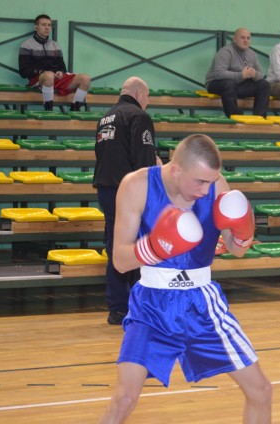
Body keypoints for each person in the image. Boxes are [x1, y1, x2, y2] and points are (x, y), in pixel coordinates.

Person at [99, 134, 272, 423]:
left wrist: (243, 232)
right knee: (124, 398)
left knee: (261, 390)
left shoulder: (216, 185)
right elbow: (119, 260)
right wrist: (156, 246)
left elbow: (236, 249)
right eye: (200, 182)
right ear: (176, 169)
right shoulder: (137, 185)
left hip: (203, 302)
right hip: (151, 305)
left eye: (211, 181)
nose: (206, 191)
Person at [92, 76, 162, 326]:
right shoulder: (138, 117)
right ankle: (138, 306)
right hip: (129, 193)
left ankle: (117, 308)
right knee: (138, 247)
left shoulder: (105, 117)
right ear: (140, 94)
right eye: (148, 97)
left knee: (116, 248)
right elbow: (143, 160)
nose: (148, 102)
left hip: (106, 190)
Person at [18, 14, 91, 111]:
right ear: (36, 27)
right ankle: (49, 109)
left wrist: (61, 72)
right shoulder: (26, 45)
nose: (47, 27)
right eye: (44, 25)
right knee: (48, 75)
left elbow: (63, 68)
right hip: (39, 79)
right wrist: (42, 72)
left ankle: (75, 109)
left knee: (85, 78)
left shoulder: (55, 45)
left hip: (56, 78)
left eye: (49, 25)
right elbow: (23, 71)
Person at [205, 27, 271, 118]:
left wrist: (254, 74)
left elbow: (261, 74)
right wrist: (240, 75)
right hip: (216, 83)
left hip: (238, 85)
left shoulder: (252, 54)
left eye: (248, 38)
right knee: (229, 84)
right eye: (242, 38)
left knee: (264, 84)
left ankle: (259, 118)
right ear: (234, 39)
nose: (246, 40)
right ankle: (235, 116)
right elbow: (219, 74)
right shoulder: (225, 52)